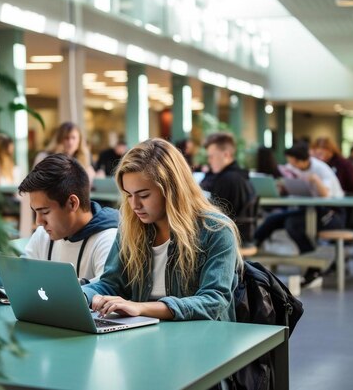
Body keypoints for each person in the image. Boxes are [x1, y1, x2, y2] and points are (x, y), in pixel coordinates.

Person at [83, 138, 242, 323]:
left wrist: (139, 307)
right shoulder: (131, 228)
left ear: (172, 189)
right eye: (128, 195)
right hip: (145, 336)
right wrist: (80, 295)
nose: (134, 205)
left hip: (202, 338)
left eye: (144, 195)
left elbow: (214, 300)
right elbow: (111, 284)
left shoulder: (216, 230)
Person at [253, 144, 346, 287]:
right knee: (272, 220)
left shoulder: (321, 169)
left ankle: (313, 265)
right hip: (308, 209)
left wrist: (315, 180)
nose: (291, 165)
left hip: (331, 212)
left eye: (294, 162)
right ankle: (250, 253)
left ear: (303, 160)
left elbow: (326, 195)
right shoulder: (295, 168)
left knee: (292, 224)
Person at [18, 154, 119, 284]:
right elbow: (21, 277)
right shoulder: (43, 235)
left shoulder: (108, 240)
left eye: (45, 212)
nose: (39, 222)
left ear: (72, 203)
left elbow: (106, 291)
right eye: (35, 212)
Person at [199, 132, 256, 245]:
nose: (209, 161)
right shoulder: (236, 175)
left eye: (211, 156)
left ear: (226, 155)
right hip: (234, 233)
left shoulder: (228, 179)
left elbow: (214, 212)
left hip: (229, 237)